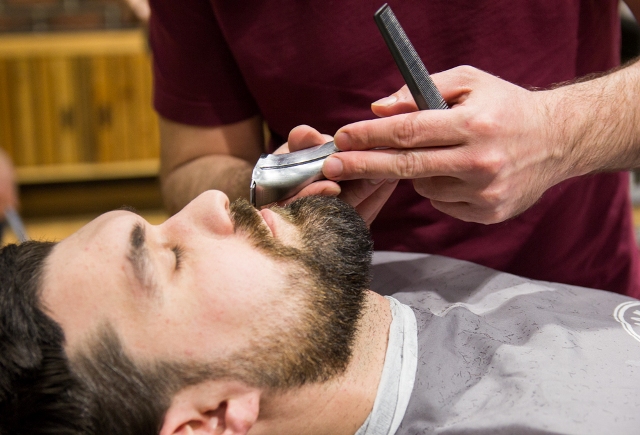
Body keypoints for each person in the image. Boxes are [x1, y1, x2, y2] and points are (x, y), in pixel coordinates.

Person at [2, 190, 640, 434]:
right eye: (170, 259)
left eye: (157, 222)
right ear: (208, 421)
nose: (212, 200)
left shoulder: (349, 286)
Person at [150, 0, 640, 297]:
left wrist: (555, 133)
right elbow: (192, 165)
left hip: (580, 304)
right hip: (347, 334)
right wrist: (274, 190)